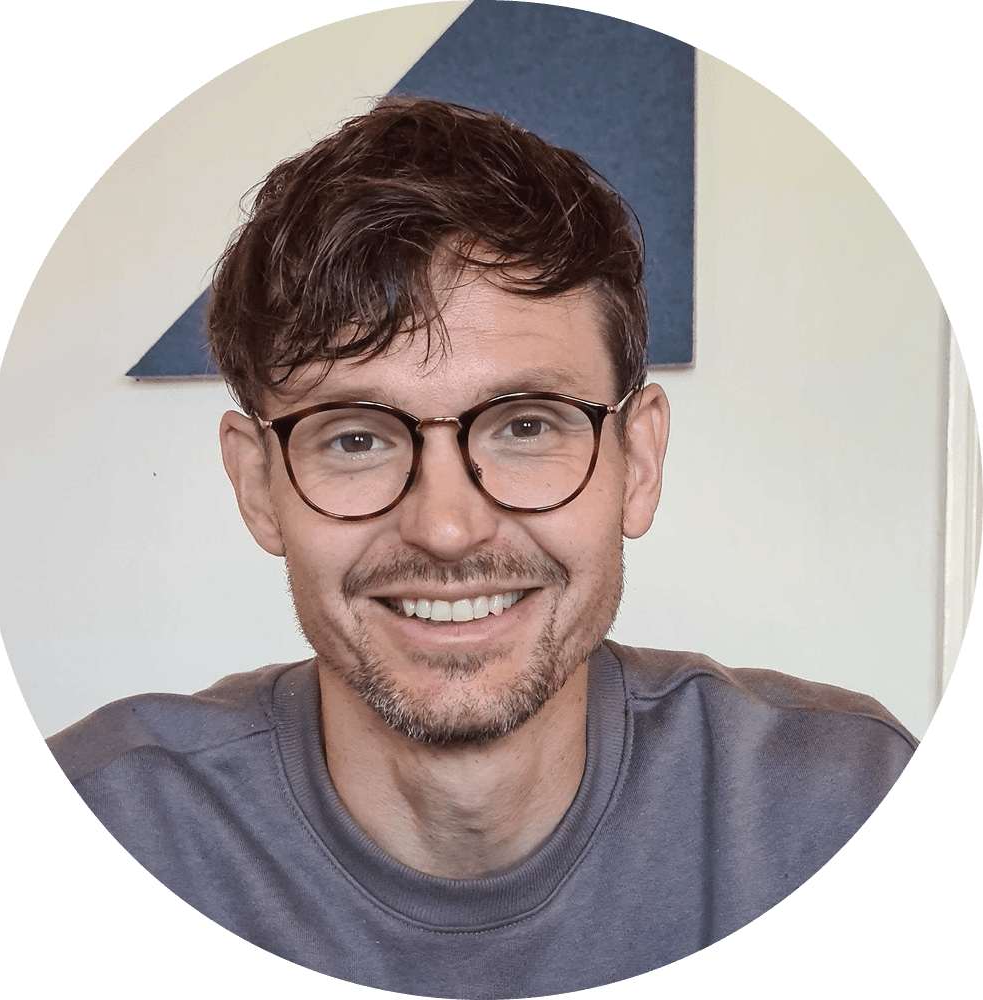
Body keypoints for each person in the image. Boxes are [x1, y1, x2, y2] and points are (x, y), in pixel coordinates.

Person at [48, 99, 916, 998]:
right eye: (357, 438)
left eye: (526, 425)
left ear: (640, 461)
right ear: (257, 485)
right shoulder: (92, 837)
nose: (446, 527)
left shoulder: (850, 809)